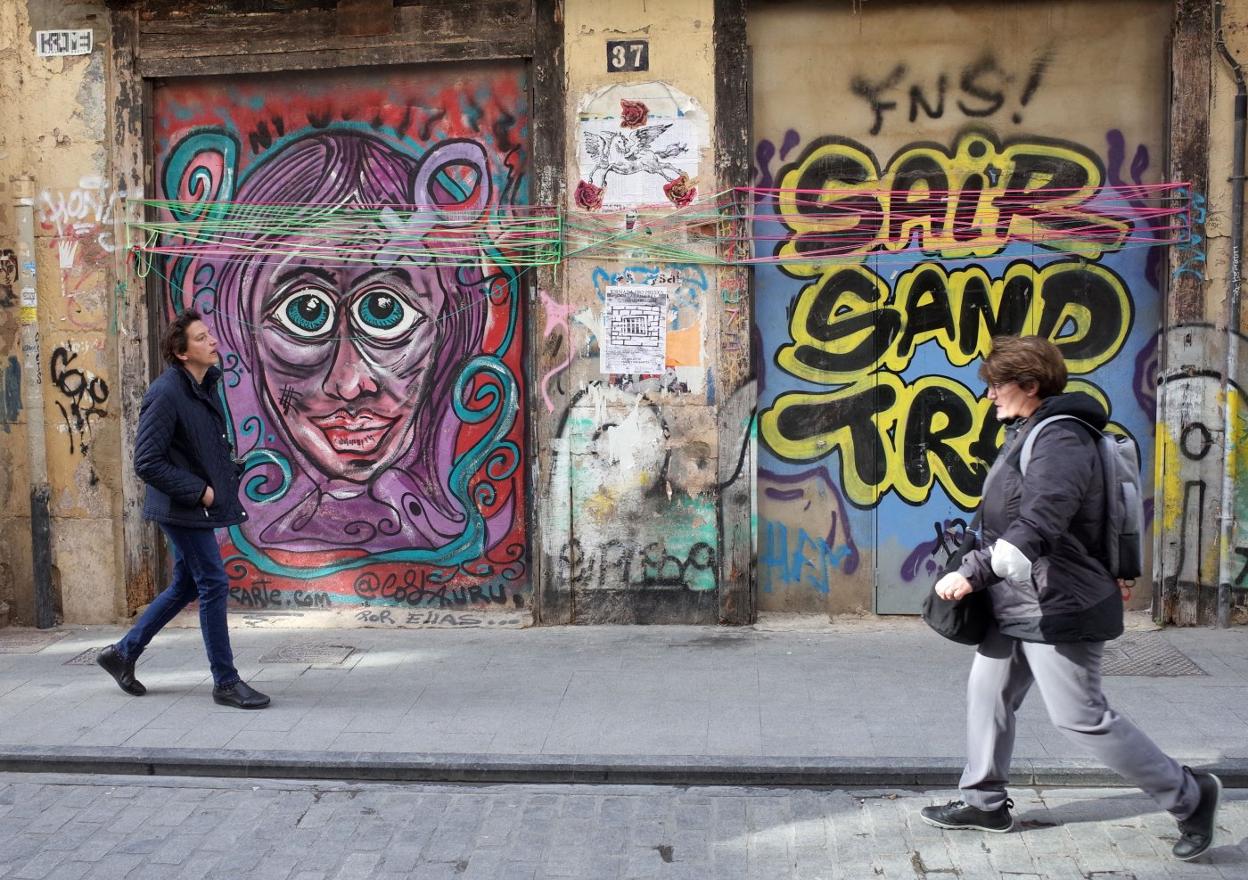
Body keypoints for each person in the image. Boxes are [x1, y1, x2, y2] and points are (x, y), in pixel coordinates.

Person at [921, 335, 1220, 861]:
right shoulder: (1030, 430)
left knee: (1081, 716)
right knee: (987, 693)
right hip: (1016, 598)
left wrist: (971, 574)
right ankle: (984, 801)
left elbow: (1040, 520)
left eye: (996, 385)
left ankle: (1190, 795)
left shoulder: (1060, 439)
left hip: (1056, 600)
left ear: (1030, 385)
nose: (988, 394)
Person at [97, 309, 270, 709]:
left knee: (188, 584)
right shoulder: (167, 392)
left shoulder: (201, 385)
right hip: (181, 507)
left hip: (191, 506)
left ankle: (122, 654)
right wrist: (200, 492)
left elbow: (194, 446)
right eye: (202, 337)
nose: (213, 342)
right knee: (214, 583)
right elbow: (146, 461)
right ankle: (225, 681)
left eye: (210, 335)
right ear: (181, 352)